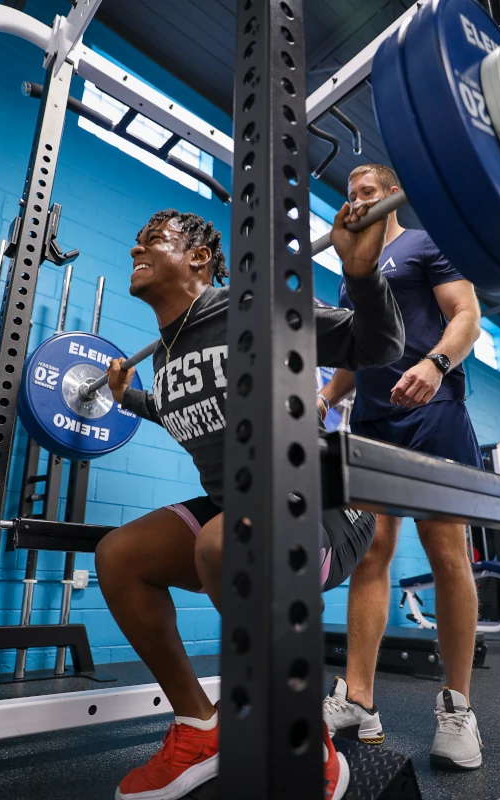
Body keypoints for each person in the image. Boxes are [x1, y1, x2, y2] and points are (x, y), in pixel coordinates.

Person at [96, 204, 404, 800]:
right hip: (239, 509)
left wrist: (363, 276)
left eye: (153, 240)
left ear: (198, 257)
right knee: (119, 557)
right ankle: (198, 728)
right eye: (136, 240)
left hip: (324, 507)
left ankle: (301, 733)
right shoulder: (165, 353)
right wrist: (128, 397)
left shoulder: (253, 311)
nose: (137, 249)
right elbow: (185, 412)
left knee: (222, 538)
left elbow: (381, 344)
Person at [319, 164, 484, 771]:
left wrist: (437, 364)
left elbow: (466, 312)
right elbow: (354, 350)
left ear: (391, 197)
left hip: (431, 408)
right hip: (372, 419)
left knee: (445, 550)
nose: (357, 202)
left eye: (368, 193)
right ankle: (359, 698)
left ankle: (458, 709)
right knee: (369, 550)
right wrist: (325, 398)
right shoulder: (350, 269)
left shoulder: (425, 242)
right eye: (350, 194)